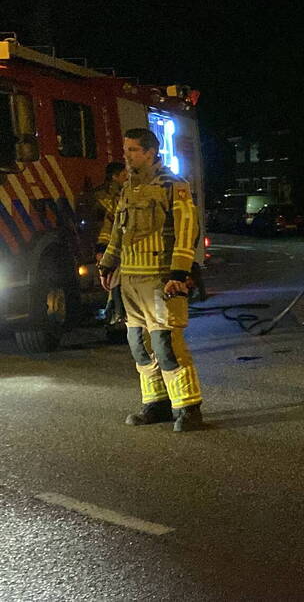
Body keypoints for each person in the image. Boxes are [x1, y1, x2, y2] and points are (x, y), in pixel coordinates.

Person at [98, 128, 204, 432]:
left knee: (166, 343)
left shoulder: (174, 185)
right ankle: (156, 403)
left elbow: (187, 231)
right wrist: (108, 265)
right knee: (139, 345)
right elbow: (119, 232)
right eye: (125, 150)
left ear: (150, 152)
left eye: (133, 150)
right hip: (131, 280)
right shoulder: (128, 189)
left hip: (160, 280)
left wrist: (179, 274)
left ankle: (188, 408)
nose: (127, 156)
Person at [92, 162, 128, 326]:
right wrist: (102, 248)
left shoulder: (105, 195)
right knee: (115, 280)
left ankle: (115, 314)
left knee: (114, 280)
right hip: (111, 245)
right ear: (114, 177)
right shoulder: (112, 198)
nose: (126, 177)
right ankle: (116, 315)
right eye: (123, 174)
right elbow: (109, 226)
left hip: (107, 245)